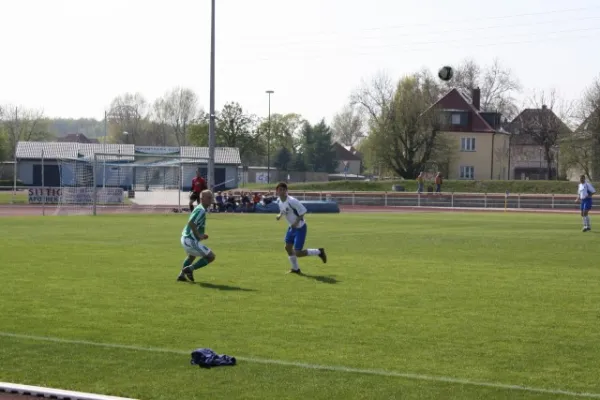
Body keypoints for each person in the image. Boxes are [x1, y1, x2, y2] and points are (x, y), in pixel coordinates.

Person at [275, 182, 327, 274]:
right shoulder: (279, 201)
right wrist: (279, 215)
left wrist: (296, 222)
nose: (282, 191)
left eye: (284, 189)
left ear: (286, 191)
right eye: (280, 189)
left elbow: (303, 211)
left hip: (300, 228)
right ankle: (296, 269)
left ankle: (319, 251)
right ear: (277, 191)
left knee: (297, 253)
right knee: (287, 248)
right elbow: (283, 210)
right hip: (291, 228)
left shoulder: (292, 201)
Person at [178, 190, 216, 282]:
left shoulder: (200, 208)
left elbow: (194, 224)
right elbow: (191, 222)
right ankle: (189, 269)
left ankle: (181, 276)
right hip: (189, 240)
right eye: (209, 198)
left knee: (192, 256)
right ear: (202, 199)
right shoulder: (201, 210)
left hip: (186, 239)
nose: (211, 200)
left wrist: (201, 235)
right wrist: (198, 235)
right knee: (211, 256)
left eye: (211, 197)